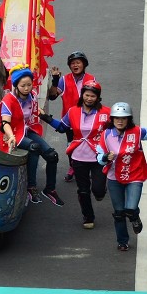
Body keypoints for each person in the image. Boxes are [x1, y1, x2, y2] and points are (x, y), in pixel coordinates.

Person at [40, 81, 110, 229]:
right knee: (83, 190)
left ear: (98, 97)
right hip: (78, 156)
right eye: (87, 95)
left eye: (93, 96)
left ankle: (100, 190)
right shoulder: (73, 111)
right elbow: (61, 127)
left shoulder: (106, 113)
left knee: (98, 189)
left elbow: (116, 130)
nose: (89, 98)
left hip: (99, 155)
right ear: (82, 95)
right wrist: (46, 117)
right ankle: (88, 216)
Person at [96, 102, 147, 252]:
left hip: (135, 175)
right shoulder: (106, 135)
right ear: (112, 119)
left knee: (130, 209)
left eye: (124, 118)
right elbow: (99, 157)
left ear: (129, 119)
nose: (120, 121)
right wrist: (105, 157)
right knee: (119, 213)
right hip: (114, 177)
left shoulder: (137, 132)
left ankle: (134, 216)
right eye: (117, 118)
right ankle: (122, 241)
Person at [0, 66, 63, 206]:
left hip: (28, 129)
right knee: (34, 147)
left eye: (29, 84)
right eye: (23, 85)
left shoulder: (32, 95)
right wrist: (10, 136)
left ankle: (50, 189)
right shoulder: (9, 100)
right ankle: (31, 187)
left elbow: (36, 112)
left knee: (52, 155)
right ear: (16, 85)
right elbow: (4, 123)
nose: (26, 88)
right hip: (13, 133)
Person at [47, 51, 98, 183]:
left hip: (89, 118)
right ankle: (73, 167)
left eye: (78, 62)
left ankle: (93, 166)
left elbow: (95, 98)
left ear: (84, 64)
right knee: (72, 144)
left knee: (91, 142)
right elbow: (52, 96)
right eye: (73, 63)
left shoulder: (91, 79)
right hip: (70, 119)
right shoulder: (64, 80)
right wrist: (55, 80)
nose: (75, 65)